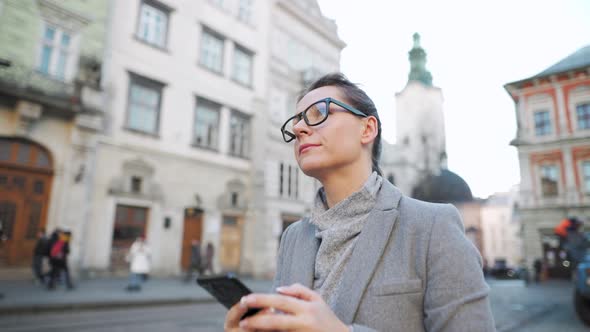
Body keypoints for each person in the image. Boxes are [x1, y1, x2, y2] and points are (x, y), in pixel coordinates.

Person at [225, 73, 495, 331]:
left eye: (319, 113)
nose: (298, 128)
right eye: (295, 121)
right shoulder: (293, 238)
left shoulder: (433, 226)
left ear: (367, 129)